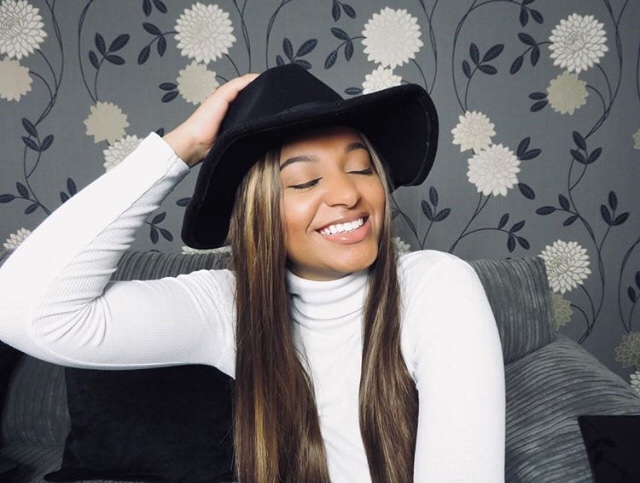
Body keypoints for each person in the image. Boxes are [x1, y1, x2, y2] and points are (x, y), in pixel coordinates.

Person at [0, 64, 505, 482]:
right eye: (304, 181)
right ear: (258, 211)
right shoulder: (228, 306)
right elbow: (24, 312)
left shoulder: (436, 286)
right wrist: (179, 149)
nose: (348, 194)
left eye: (361, 168)